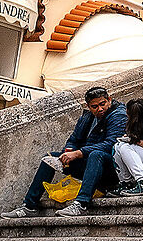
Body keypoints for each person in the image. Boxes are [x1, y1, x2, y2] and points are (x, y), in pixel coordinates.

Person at [18, 85, 128, 217]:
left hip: (111, 168)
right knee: (50, 158)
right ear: (88, 106)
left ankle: (81, 204)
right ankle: (29, 206)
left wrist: (78, 153)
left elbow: (111, 144)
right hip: (88, 163)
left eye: (103, 104)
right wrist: (68, 151)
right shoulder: (87, 117)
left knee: (96, 154)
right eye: (95, 106)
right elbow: (74, 139)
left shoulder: (119, 114)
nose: (100, 109)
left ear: (109, 100)